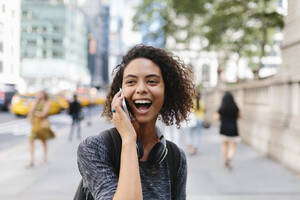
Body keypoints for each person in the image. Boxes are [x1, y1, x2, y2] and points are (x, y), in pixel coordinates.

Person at [76, 45, 195, 199]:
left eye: (152, 81)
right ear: (119, 94)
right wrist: (128, 140)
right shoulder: (94, 149)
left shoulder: (176, 158)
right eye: (131, 82)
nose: (141, 89)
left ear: (167, 92)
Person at [26, 91, 55, 168]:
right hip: (35, 125)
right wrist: (36, 103)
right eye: (38, 94)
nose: (39, 95)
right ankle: (32, 160)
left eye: (41, 94)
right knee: (31, 140)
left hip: (42, 125)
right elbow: (31, 111)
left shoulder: (47, 102)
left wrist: (35, 112)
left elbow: (43, 114)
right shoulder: (36, 102)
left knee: (43, 141)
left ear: (44, 95)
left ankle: (44, 158)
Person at [216, 91, 240, 170]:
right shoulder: (236, 107)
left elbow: (217, 118)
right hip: (233, 129)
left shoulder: (222, 107)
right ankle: (229, 158)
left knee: (224, 145)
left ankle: (225, 159)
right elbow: (239, 116)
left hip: (224, 129)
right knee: (233, 146)